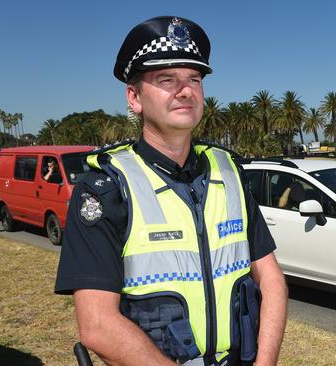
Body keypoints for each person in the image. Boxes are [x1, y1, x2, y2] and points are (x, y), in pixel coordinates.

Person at [54, 16, 288, 366]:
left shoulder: (230, 174)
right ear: (134, 97)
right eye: (167, 79)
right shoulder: (106, 189)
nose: (185, 90)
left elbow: (271, 281)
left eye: (194, 79)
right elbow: (98, 325)